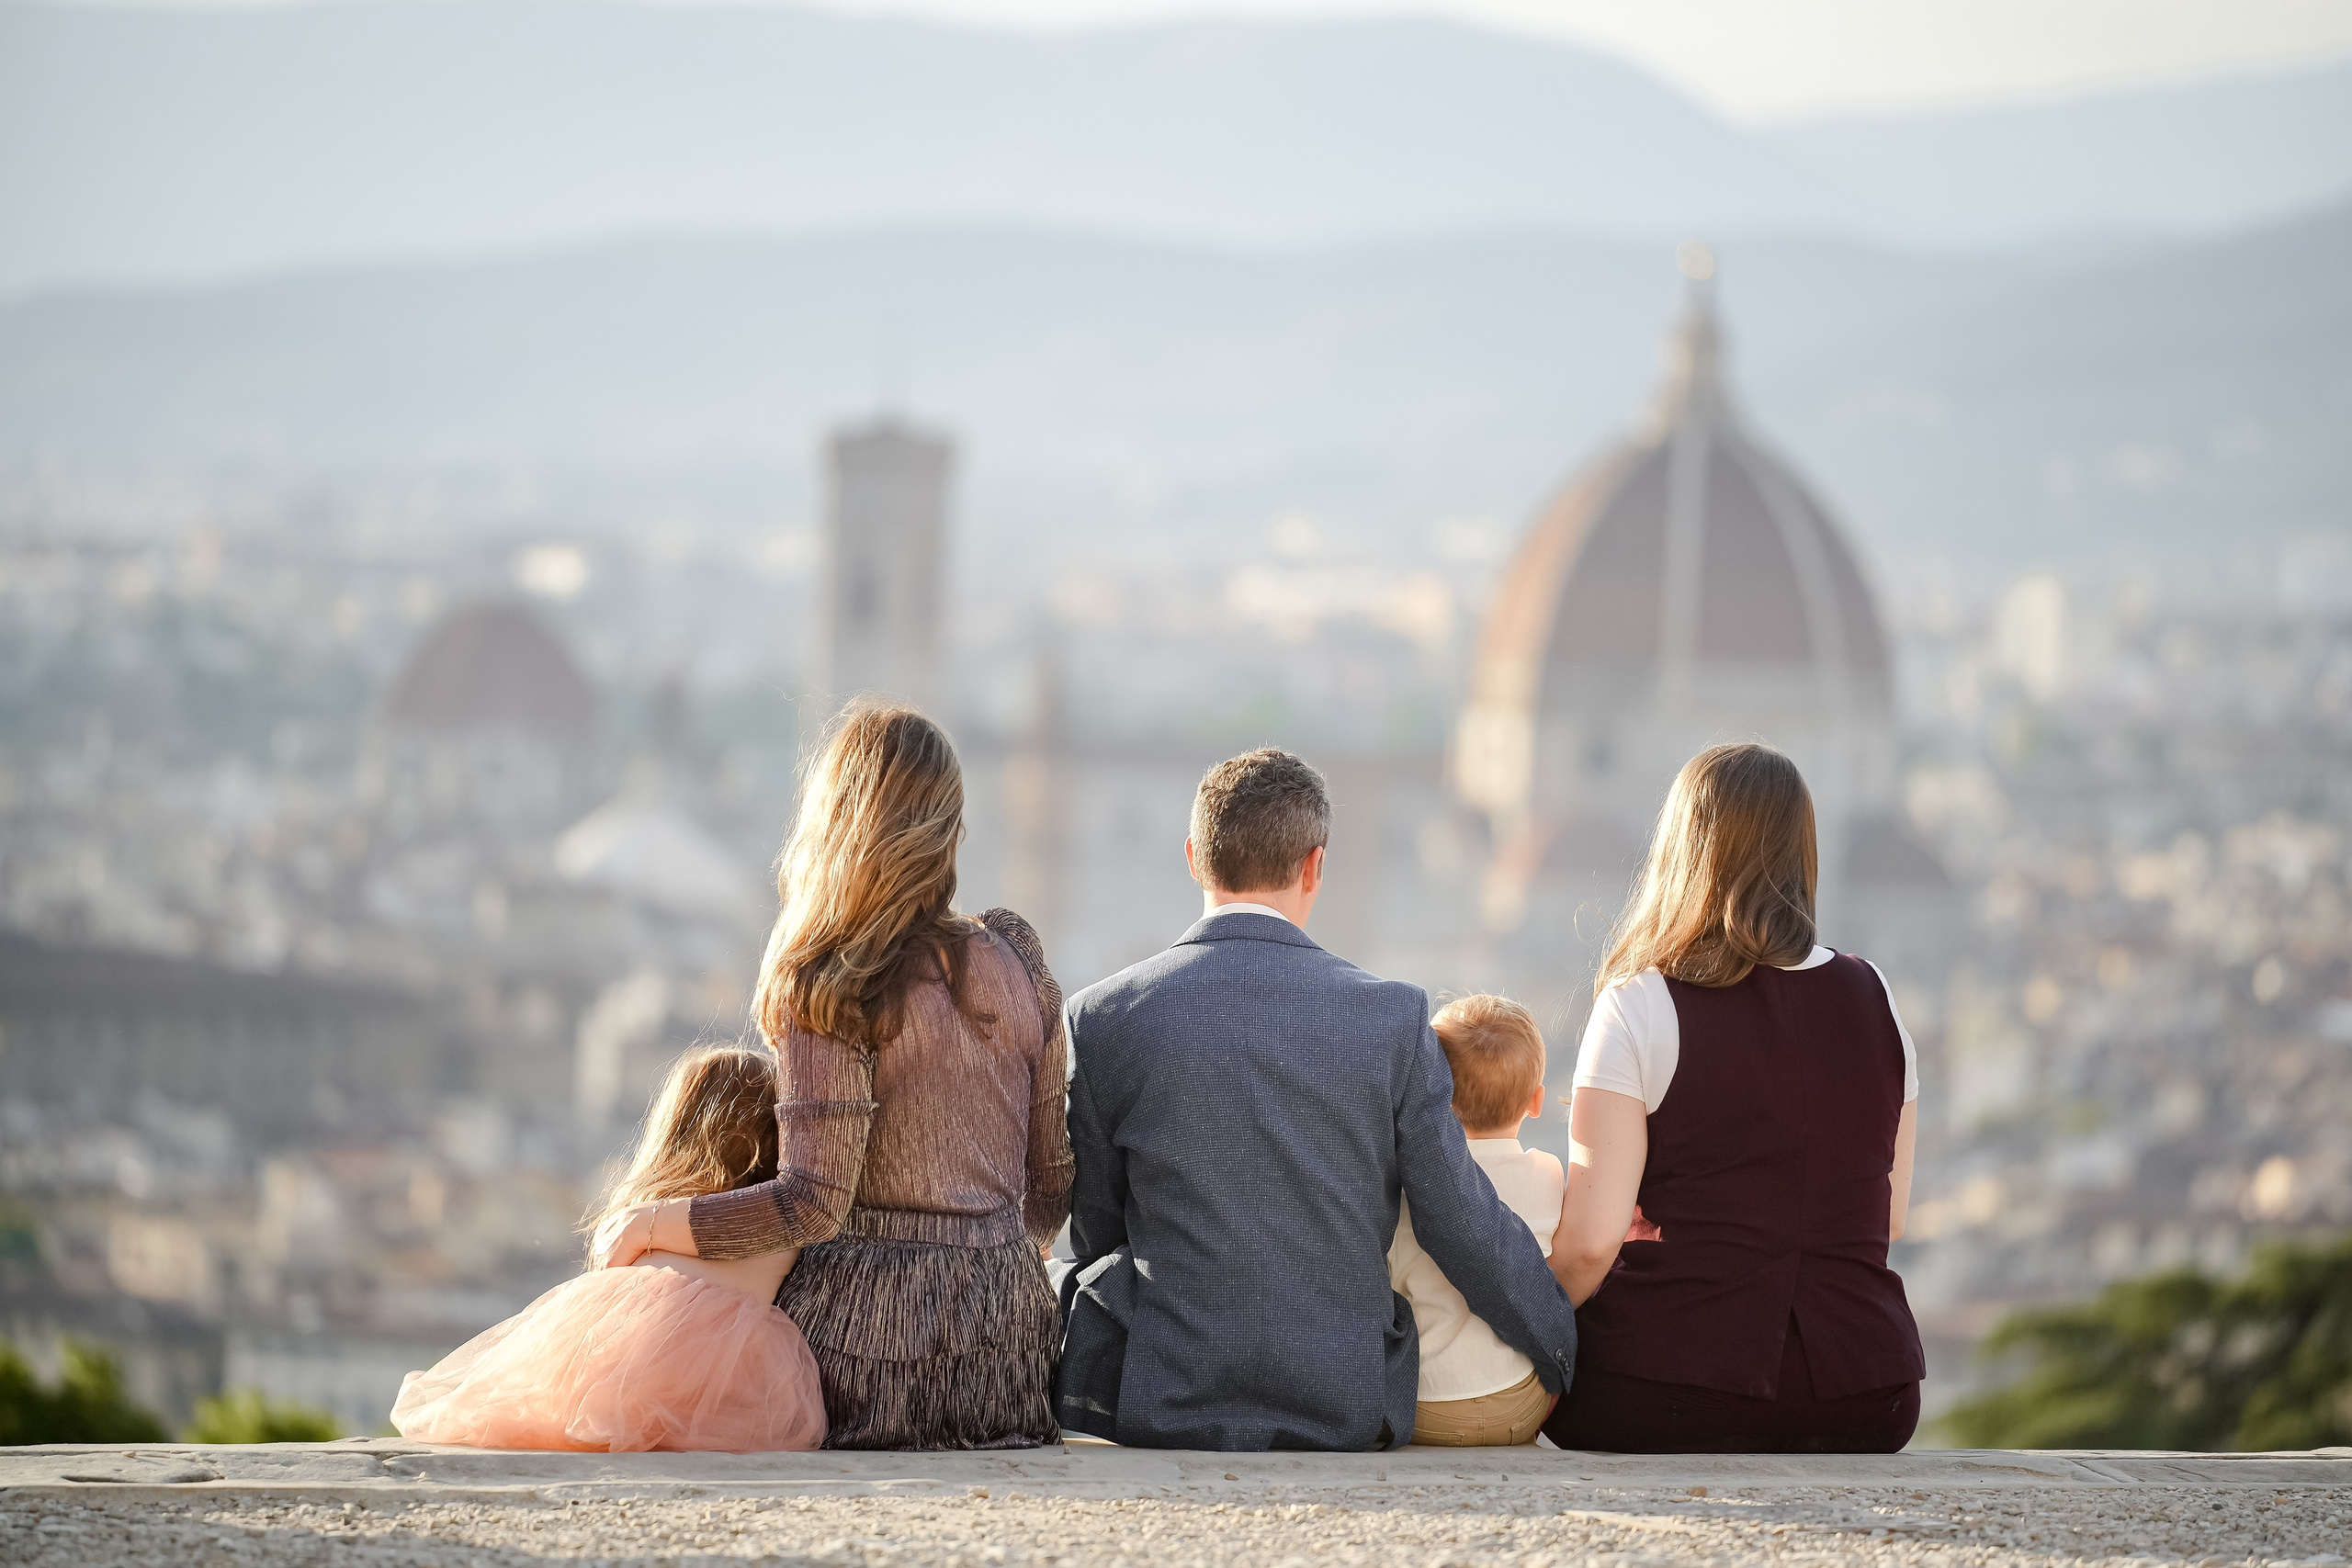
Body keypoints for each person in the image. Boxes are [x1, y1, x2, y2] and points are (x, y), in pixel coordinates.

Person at [1057, 748, 1577, 1450]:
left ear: (1192, 858)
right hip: (1344, 1396)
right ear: (1315, 866)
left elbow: (1101, 1229)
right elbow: (1457, 1218)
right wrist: (1557, 1342)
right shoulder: (1392, 1017)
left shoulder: (1101, 1016)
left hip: (1168, 1389)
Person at [594, 704, 1073, 1450]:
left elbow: (812, 1205)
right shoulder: (1016, 955)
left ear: (836, 819)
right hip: (1010, 1368)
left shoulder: (831, 977)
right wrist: (983, 1254)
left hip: (864, 1364)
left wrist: (651, 1222)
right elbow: (1051, 1189)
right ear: (951, 826)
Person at [1544, 741, 1925, 1454]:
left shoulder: (1640, 1005)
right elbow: (1892, 1213)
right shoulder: (1878, 998)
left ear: (1684, 850)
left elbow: (1591, 1242)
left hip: (1666, 1389)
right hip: (1868, 1399)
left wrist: (1519, 1331)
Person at [390, 1045, 827, 1452]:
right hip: (741, 1391)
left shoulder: (644, 1224)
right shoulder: (784, 1232)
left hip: (616, 1384)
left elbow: (598, 1318)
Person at [1386, 994, 1566, 1448]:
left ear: (1434, 1095)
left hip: (1420, 1406)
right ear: (1536, 1101)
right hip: (1518, 1407)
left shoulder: (1405, 1191)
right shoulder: (1547, 1174)